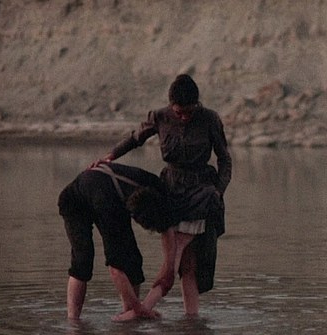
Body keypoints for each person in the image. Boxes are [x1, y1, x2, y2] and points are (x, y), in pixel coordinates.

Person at [95, 74, 232, 318]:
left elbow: (225, 159)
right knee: (183, 261)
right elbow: (135, 139)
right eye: (179, 113)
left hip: (201, 193)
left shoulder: (210, 119)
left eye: (189, 112)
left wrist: (218, 191)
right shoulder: (160, 116)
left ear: (197, 105)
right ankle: (189, 322)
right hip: (170, 190)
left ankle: (142, 311)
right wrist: (110, 156)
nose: (184, 117)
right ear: (171, 106)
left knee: (181, 258)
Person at [58, 161, 178, 321]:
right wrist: (140, 309)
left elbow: (168, 227)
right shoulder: (111, 210)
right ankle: (73, 322)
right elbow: (116, 269)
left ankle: (128, 313)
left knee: (133, 259)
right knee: (83, 261)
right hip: (75, 202)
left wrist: (169, 268)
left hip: (107, 191)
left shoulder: (155, 185)